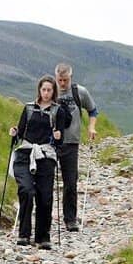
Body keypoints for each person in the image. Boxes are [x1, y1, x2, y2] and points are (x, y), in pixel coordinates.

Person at [9, 75, 71, 249]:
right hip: (25, 154)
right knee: (26, 190)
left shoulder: (58, 111)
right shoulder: (28, 108)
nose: (46, 93)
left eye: (49, 90)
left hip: (46, 155)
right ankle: (24, 234)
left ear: (53, 92)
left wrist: (58, 137)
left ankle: (43, 237)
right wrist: (14, 133)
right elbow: (20, 132)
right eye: (43, 89)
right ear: (39, 90)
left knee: (45, 197)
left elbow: (59, 140)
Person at [54, 63, 98, 232]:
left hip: (71, 142)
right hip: (51, 143)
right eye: (60, 80)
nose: (62, 84)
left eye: (65, 80)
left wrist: (91, 127)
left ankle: (70, 219)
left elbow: (93, 111)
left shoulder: (80, 92)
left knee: (70, 183)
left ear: (70, 77)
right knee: (44, 181)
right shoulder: (50, 90)